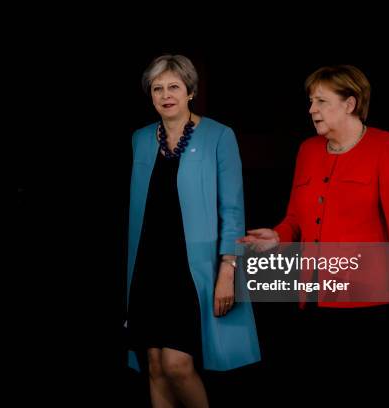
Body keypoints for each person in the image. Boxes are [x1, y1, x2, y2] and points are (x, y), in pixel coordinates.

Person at [239, 65, 389, 320]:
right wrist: (276, 236)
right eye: (311, 101)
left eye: (321, 101)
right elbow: (295, 218)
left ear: (350, 104)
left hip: (369, 298)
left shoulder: (386, 146)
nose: (311, 109)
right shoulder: (308, 150)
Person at [126, 54, 260, 407]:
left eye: (173, 87)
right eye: (157, 88)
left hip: (191, 268)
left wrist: (228, 269)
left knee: (178, 364)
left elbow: (233, 209)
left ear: (190, 92)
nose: (165, 95)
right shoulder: (140, 139)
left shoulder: (219, 135)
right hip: (146, 266)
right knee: (154, 365)